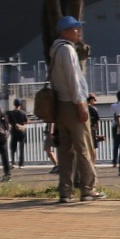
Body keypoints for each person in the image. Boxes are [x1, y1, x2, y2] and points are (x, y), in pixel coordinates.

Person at [48, 16, 102, 202]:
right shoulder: (68, 50)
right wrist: (81, 105)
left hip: (60, 106)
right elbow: (74, 80)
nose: (78, 31)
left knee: (65, 151)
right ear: (65, 32)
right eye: (74, 28)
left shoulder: (55, 49)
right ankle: (88, 189)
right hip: (72, 104)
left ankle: (65, 191)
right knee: (84, 148)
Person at [7, 98, 29, 166]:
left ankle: (13, 162)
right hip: (21, 132)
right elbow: (26, 121)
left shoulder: (10, 113)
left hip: (14, 131)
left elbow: (9, 122)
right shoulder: (22, 113)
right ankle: (21, 163)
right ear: (20, 104)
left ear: (14, 104)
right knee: (21, 148)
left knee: (13, 148)